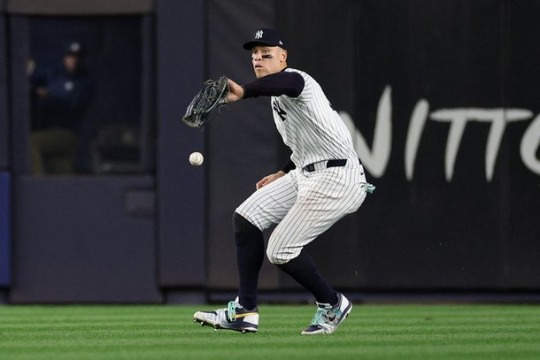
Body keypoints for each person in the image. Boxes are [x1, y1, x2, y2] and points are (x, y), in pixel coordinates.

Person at [194, 28, 374, 335]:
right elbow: (310, 140)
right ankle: (245, 311)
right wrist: (283, 170)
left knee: (280, 251)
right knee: (246, 217)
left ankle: (332, 304)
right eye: (254, 55)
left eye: (266, 54)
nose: (258, 60)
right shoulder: (277, 96)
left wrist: (245, 91)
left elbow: (288, 82)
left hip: (338, 178)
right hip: (306, 171)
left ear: (283, 57)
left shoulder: (297, 80)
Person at [30, 41, 94, 174]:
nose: (74, 60)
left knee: (30, 143)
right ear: (65, 58)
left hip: (67, 132)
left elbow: (73, 103)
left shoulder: (85, 81)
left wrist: (49, 94)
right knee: (60, 171)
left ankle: (38, 186)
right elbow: (32, 80)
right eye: (71, 56)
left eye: (77, 57)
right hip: (48, 130)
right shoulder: (55, 74)